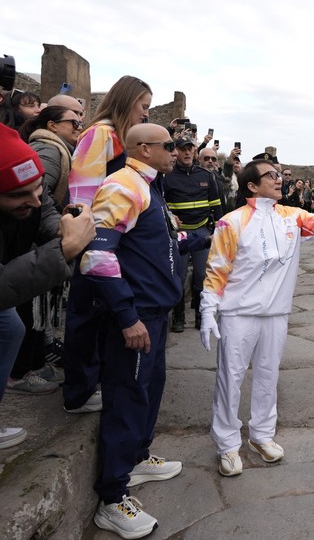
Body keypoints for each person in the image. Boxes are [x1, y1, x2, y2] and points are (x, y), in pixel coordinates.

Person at [200, 160, 314, 477]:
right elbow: (217, 270)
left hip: (276, 314)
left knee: (268, 377)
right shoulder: (231, 223)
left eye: (277, 174)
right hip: (238, 314)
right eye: (270, 175)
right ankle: (228, 445)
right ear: (251, 186)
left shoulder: (292, 217)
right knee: (230, 380)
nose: (278, 179)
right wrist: (207, 309)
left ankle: (261, 434)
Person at [78, 124, 184, 538]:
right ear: (144, 148)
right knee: (126, 398)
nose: (176, 152)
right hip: (137, 317)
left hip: (155, 315)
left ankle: (138, 458)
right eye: (170, 145)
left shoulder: (148, 186)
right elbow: (97, 257)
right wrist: (126, 315)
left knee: (149, 388)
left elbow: (154, 245)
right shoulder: (123, 185)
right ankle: (112, 497)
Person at [0, 124, 95, 448]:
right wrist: (64, 250)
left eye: (38, 188)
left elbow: (44, 213)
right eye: (19, 195)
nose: (35, 200)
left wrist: (61, 229)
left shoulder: (32, 198)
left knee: (10, 328)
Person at [63, 75, 152, 415]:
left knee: (99, 317)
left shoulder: (116, 138)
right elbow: (82, 193)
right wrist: (91, 241)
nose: (145, 114)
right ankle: (79, 392)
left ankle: (90, 383)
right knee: (85, 314)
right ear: (127, 101)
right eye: (143, 106)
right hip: (94, 238)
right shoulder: (100, 135)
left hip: (110, 240)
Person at [164, 136, 223, 332]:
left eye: (191, 148)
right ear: (177, 151)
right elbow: (163, 205)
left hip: (203, 232)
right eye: (183, 149)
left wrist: (219, 230)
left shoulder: (206, 176)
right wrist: (171, 219)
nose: (188, 152)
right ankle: (179, 318)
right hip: (180, 234)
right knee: (178, 277)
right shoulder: (167, 176)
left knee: (201, 276)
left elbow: (216, 205)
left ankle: (200, 316)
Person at [20, 105, 82, 209]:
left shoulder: (54, 148)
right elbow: (38, 194)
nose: (79, 128)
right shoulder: (48, 150)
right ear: (52, 126)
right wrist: (60, 216)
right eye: (74, 123)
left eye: (80, 124)